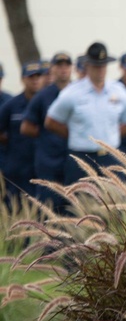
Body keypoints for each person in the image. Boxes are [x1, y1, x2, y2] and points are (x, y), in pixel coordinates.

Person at [45, 43, 126, 186]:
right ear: (87, 66)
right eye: (96, 66)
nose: (100, 70)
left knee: (114, 203)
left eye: (103, 65)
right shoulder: (72, 93)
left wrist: (112, 133)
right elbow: (51, 121)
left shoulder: (118, 91)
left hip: (111, 157)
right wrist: (75, 134)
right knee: (81, 205)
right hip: (81, 157)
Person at [21, 52, 73, 208]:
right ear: (52, 69)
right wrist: (46, 134)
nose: (63, 69)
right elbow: (26, 127)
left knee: (72, 207)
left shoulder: (79, 93)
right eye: (59, 66)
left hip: (73, 159)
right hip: (49, 162)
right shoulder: (43, 96)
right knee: (49, 206)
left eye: (66, 65)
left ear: (72, 68)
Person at [0, 62, 46, 204]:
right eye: (30, 77)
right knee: (15, 205)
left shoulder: (49, 102)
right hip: (17, 166)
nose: (35, 80)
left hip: (42, 164)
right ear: (23, 79)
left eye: (38, 76)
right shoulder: (11, 104)